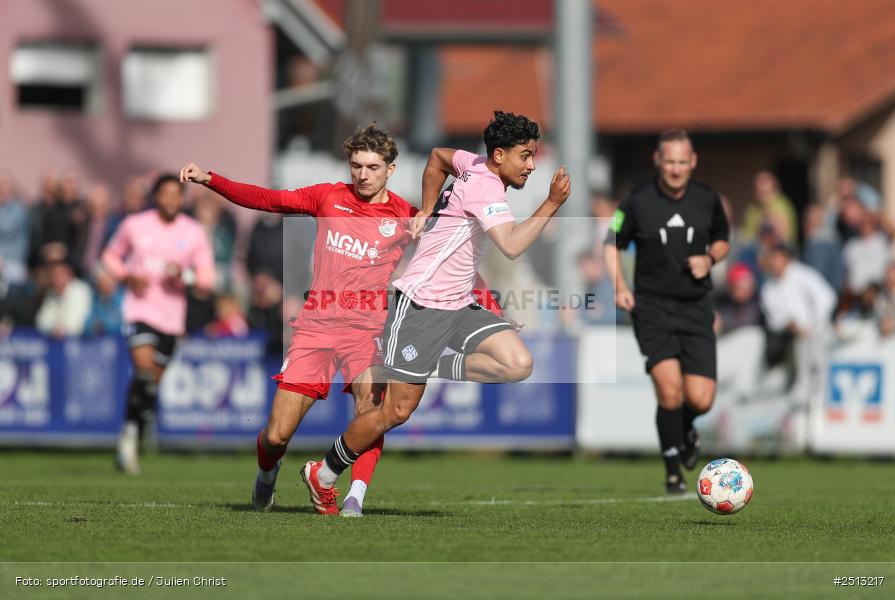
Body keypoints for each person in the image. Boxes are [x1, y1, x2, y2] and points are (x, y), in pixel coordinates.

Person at [299, 110, 571, 516]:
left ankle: (433, 365)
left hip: (459, 304)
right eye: (526, 155)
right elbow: (512, 245)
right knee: (394, 412)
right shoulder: (486, 189)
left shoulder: (473, 162)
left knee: (517, 363)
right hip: (421, 305)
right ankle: (322, 473)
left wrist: (427, 208)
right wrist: (551, 203)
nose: (531, 165)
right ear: (499, 155)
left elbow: (438, 157)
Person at [179, 125, 418, 517]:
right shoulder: (328, 196)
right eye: (356, 165)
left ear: (390, 170)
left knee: (372, 414)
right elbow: (268, 199)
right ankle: (267, 472)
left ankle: (353, 498)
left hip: (367, 332)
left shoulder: (406, 216)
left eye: (373, 167)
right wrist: (212, 180)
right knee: (277, 435)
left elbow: (451, 255)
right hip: (316, 327)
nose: (362, 175)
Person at [603, 129, 730, 493]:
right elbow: (610, 243)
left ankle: (685, 429)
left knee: (701, 399)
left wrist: (710, 258)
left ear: (693, 162)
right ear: (657, 161)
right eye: (669, 161)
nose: (675, 169)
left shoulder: (707, 199)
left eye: (682, 162)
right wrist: (620, 287)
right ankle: (673, 472)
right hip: (652, 308)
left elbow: (723, 240)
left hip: (696, 308)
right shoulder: (636, 201)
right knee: (670, 391)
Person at [101, 173, 215, 475]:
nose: (171, 200)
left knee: (151, 384)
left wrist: (184, 275)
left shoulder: (193, 232)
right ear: (155, 197)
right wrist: (126, 276)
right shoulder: (134, 225)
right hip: (139, 310)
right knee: (143, 370)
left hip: (172, 318)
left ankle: (133, 431)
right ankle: (128, 439)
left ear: (182, 199)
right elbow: (110, 256)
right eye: (165, 194)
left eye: (176, 194)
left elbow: (207, 279)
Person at [759, 243, 836, 402]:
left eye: (777, 258)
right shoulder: (768, 289)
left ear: (786, 259)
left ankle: (820, 396)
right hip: (789, 338)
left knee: (818, 360)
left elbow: (826, 298)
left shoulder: (804, 275)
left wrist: (813, 325)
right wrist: (792, 325)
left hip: (819, 331)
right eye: (771, 258)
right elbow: (775, 319)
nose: (774, 263)